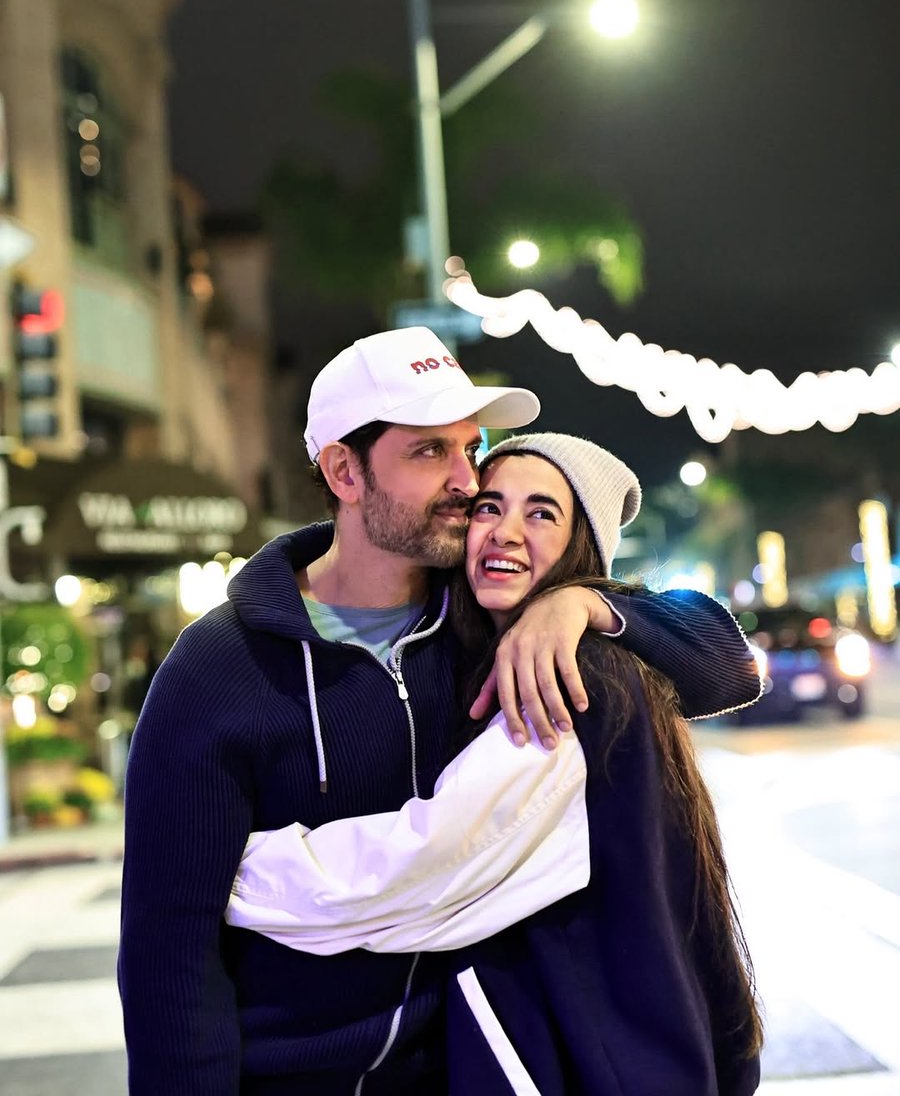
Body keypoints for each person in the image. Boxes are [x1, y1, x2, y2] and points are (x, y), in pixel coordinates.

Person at [118, 328, 761, 1095]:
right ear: (345, 471)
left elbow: (723, 663)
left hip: (470, 1068)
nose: (465, 478)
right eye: (430, 452)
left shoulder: (489, 626)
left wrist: (584, 605)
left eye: (470, 447)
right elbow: (169, 953)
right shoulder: (219, 670)